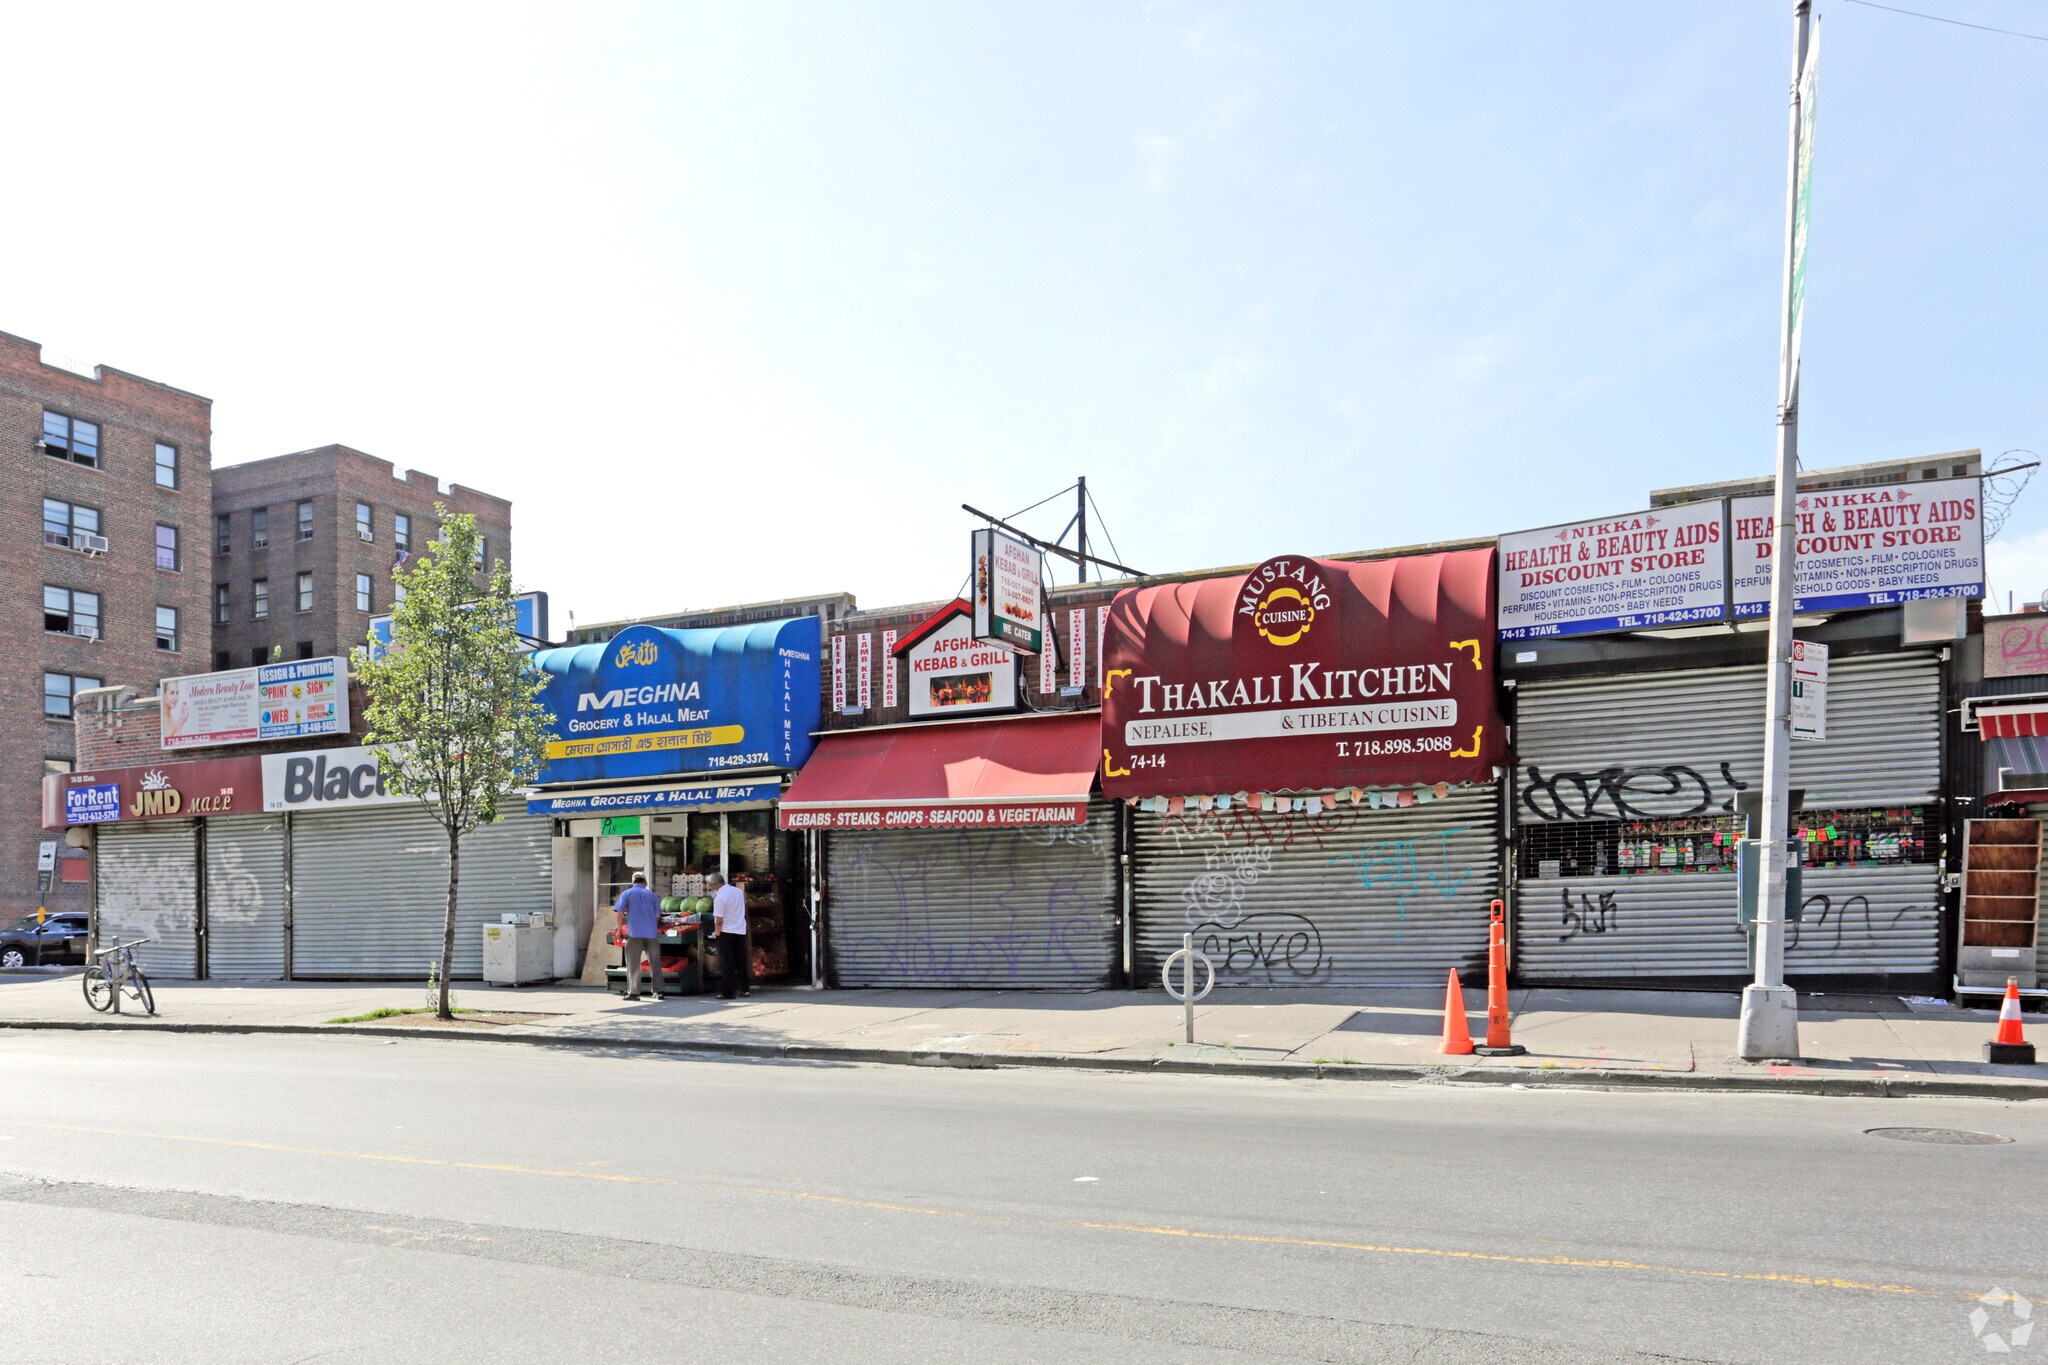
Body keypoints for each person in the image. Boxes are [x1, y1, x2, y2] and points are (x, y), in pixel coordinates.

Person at [615, 871, 664, 1001]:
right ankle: (658, 991)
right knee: (655, 962)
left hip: (634, 932)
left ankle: (634, 992)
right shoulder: (652, 895)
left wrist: (619, 930)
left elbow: (620, 913)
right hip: (651, 934)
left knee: (633, 963)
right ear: (645, 882)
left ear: (633, 882)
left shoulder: (627, 893)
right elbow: (658, 916)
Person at [710, 872, 749, 999]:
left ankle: (728, 991)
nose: (710, 887)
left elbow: (719, 919)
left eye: (710, 884)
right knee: (741, 961)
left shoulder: (720, 897)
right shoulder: (738, 892)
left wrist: (717, 932)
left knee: (727, 963)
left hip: (726, 932)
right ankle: (745, 989)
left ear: (716, 884)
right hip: (740, 930)